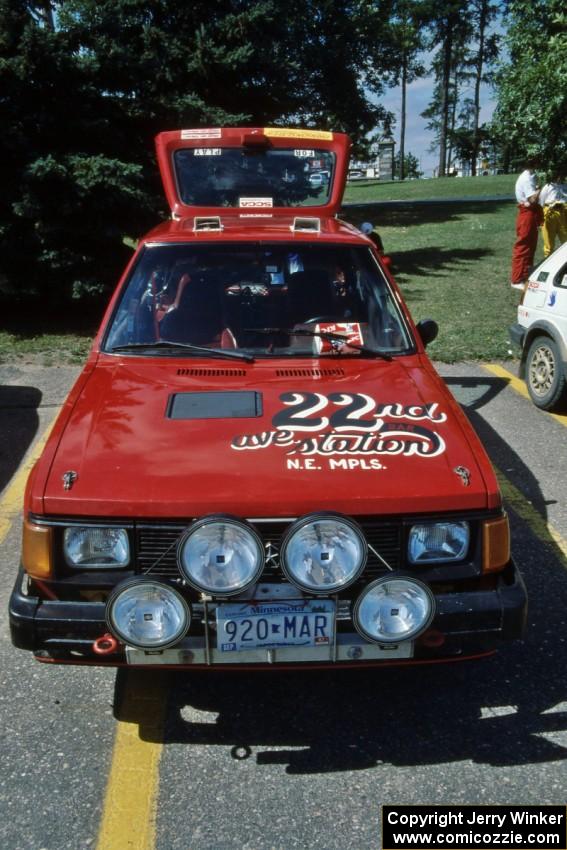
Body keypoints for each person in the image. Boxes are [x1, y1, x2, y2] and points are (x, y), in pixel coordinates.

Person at [510, 161, 543, 290]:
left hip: (531, 213)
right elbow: (532, 199)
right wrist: (541, 189)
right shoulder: (526, 179)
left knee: (531, 246)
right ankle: (517, 279)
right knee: (523, 246)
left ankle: (525, 275)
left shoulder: (532, 176)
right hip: (527, 213)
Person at [539, 176, 567, 257]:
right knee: (549, 241)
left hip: (563, 213)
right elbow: (541, 202)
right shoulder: (548, 186)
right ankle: (547, 261)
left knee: (565, 239)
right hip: (550, 214)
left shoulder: (565, 186)